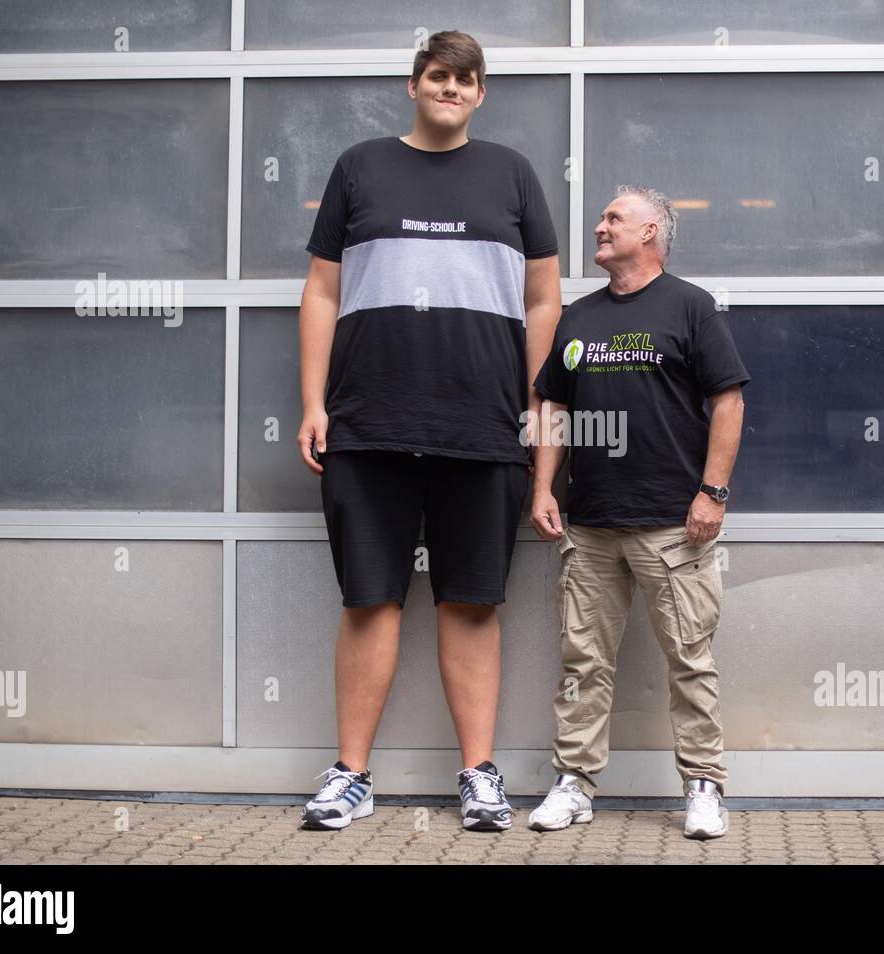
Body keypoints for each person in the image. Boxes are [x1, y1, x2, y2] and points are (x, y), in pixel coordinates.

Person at [295, 30, 562, 832]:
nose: (451, 88)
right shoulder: (359, 166)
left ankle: (479, 776)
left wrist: (528, 403)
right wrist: (314, 403)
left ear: (481, 94)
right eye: (438, 75)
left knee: (472, 603)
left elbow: (545, 298)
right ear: (414, 84)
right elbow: (319, 291)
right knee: (370, 601)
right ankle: (351, 775)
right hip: (368, 423)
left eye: (466, 79)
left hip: (482, 429)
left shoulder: (512, 173)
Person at [527, 185, 749, 839]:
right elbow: (553, 409)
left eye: (613, 218)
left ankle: (704, 787)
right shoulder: (580, 316)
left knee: (690, 658)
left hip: (672, 527)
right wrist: (543, 488)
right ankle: (573, 785)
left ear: (651, 231)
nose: (600, 226)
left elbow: (729, 402)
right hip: (591, 525)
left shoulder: (690, 307)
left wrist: (713, 492)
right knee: (583, 662)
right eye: (601, 218)